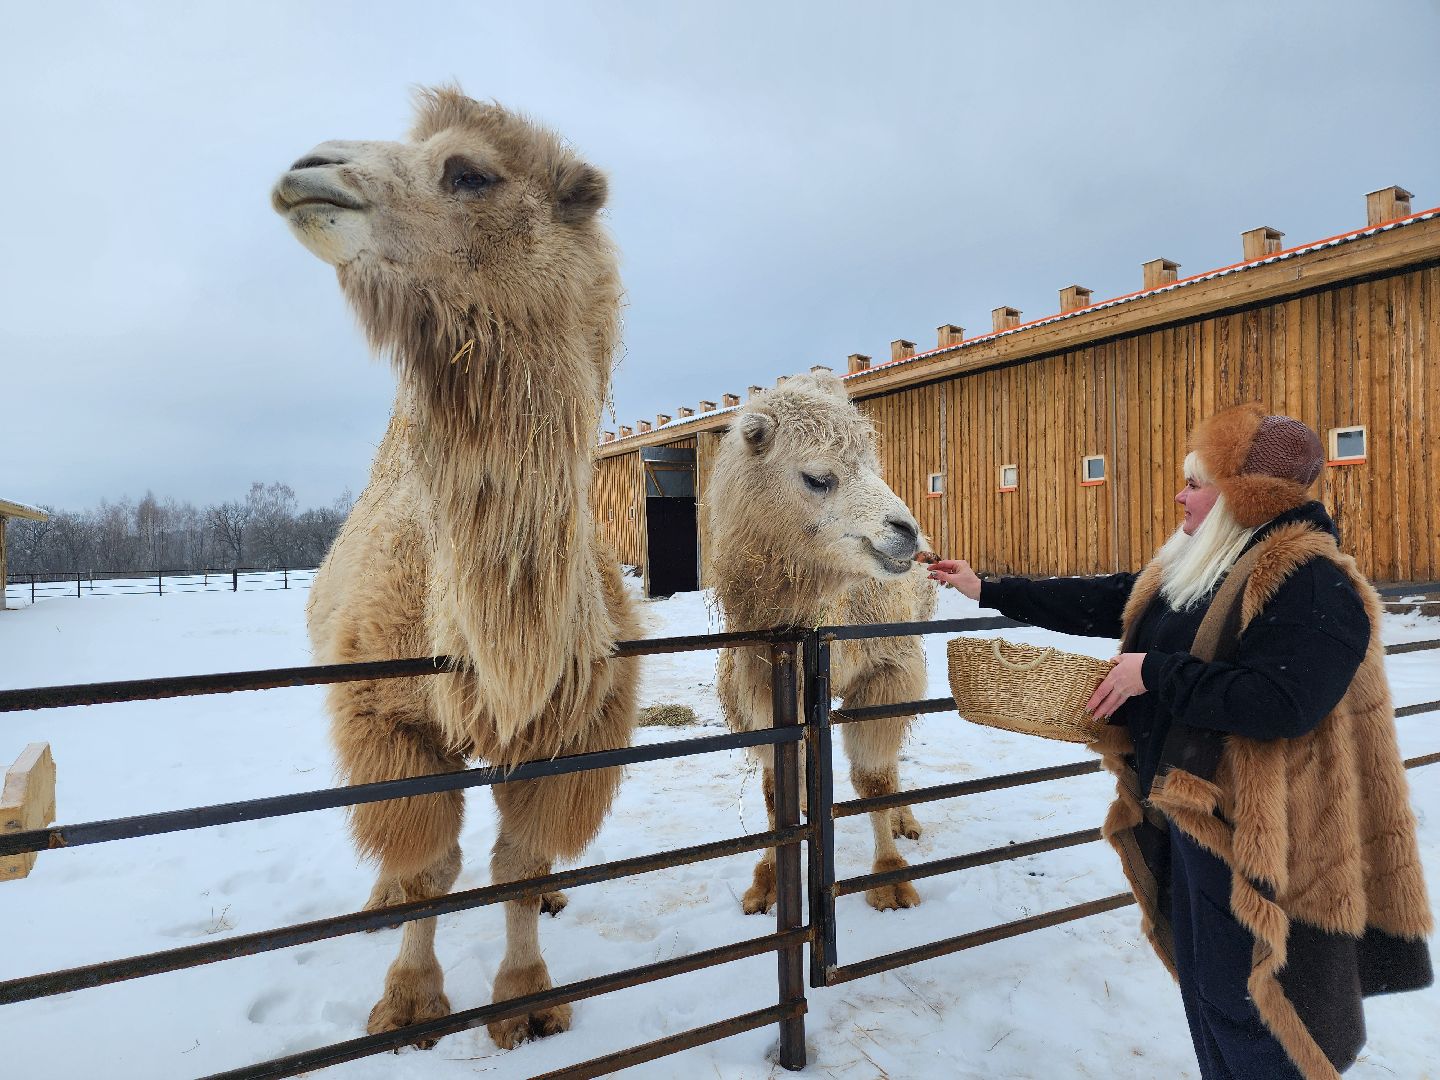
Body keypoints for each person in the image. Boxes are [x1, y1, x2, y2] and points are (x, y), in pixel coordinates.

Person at [929, 403, 1431, 1080]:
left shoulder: (1311, 582)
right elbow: (1113, 600)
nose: (1180, 494)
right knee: (1207, 990)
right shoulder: (1207, 567)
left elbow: (1282, 702)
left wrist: (1154, 674)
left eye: (1196, 483)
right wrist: (988, 587)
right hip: (1190, 812)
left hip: (1258, 837)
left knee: (1254, 1006)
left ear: (1246, 496)